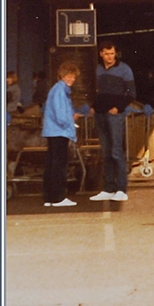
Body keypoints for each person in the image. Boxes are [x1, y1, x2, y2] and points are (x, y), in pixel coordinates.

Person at [89, 41, 136, 203]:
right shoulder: (97, 70)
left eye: (112, 53)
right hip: (100, 115)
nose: (110, 57)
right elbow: (94, 92)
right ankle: (108, 188)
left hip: (115, 115)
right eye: (107, 54)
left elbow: (131, 94)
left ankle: (121, 189)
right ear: (101, 54)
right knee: (106, 152)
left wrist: (118, 108)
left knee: (116, 151)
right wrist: (93, 107)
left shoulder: (125, 69)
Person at [41, 62, 82, 207]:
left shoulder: (57, 89)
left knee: (51, 164)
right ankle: (59, 198)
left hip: (52, 131)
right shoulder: (60, 90)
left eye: (73, 77)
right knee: (60, 165)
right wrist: (69, 120)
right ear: (62, 75)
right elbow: (60, 113)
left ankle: (49, 198)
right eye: (69, 76)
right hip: (60, 131)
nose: (71, 79)